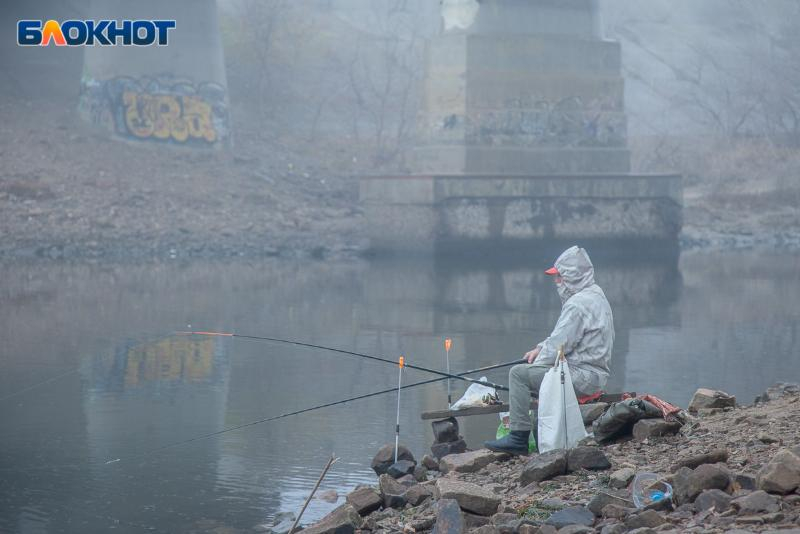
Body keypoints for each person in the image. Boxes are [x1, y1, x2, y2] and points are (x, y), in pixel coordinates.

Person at [484, 246, 614, 455]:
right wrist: (539, 348)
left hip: (582, 376)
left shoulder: (577, 304)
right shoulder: (595, 294)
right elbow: (564, 338)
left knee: (518, 374)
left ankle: (518, 438)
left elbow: (558, 347)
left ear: (572, 277)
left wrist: (537, 363)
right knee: (534, 375)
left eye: (559, 277)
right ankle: (538, 436)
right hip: (595, 375)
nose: (556, 282)